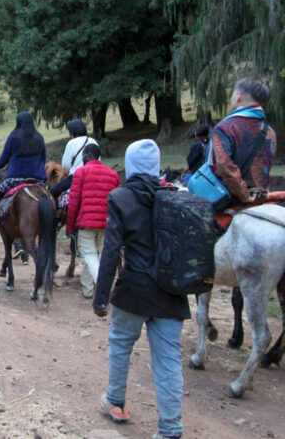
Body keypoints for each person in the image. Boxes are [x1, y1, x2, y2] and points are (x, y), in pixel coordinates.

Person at [93, 139, 189, 439]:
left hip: (134, 289)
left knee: (121, 344)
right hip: (171, 292)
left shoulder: (121, 197)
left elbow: (110, 253)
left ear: (131, 164)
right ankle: (171, 429)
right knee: (168, 361)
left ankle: (116, 402)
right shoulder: (172, 196)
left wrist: (100, 297)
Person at [0, 112, 47, 236]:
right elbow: (43, 158)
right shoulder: (39, 137)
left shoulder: (14, 136)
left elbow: (4, 158)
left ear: (18, 122)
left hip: (16, 179)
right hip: (37, 179)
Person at [210, 76, 277, 205]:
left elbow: (224, 166)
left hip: (230, 199)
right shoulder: (269, 131)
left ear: (238, 95)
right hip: (260, 197)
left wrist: (244, 195)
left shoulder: (225, 127)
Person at [65, 144, 120, 298]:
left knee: (89, 256)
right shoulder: (113, 175)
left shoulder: (81, 172)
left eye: (83, 154)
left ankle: (103, 288)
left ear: (88, 155)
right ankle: (87, 289)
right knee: (97, 256)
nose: (82, 157)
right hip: (107, 223)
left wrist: (70, 227)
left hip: (86, 223)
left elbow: (74, 201)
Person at [49, 119, 98, 200]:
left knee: (53, 192)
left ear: (73, 132)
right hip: (94, 175)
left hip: (76, 177)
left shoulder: (71, 143)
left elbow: (66, 167)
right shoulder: (93, 141)